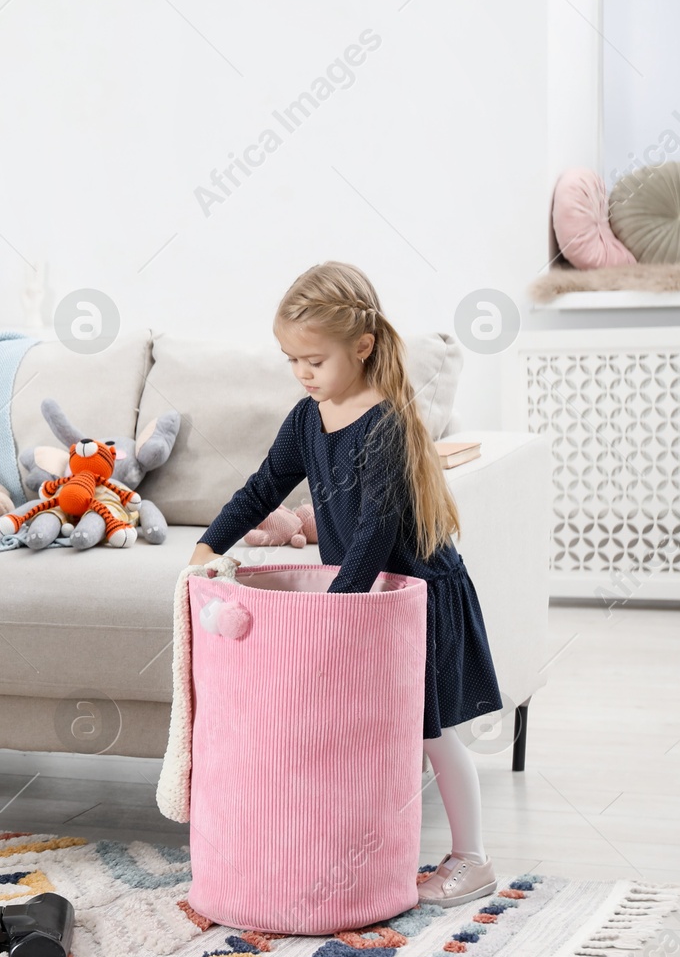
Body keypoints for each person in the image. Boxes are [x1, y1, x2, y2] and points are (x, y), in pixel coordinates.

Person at [188, 261, 502, 908]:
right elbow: (262, 487)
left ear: (361, 346)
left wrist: (332, 615)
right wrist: (208, 544)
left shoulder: (386, 423)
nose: (303, 373)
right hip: (366, 600)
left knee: (429, 732)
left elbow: (374, 533)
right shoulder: (308, 419)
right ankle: (364, 855)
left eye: (314, 359)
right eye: (291, 360)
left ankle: (472, 858)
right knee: (370, 729)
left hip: (415, 596)